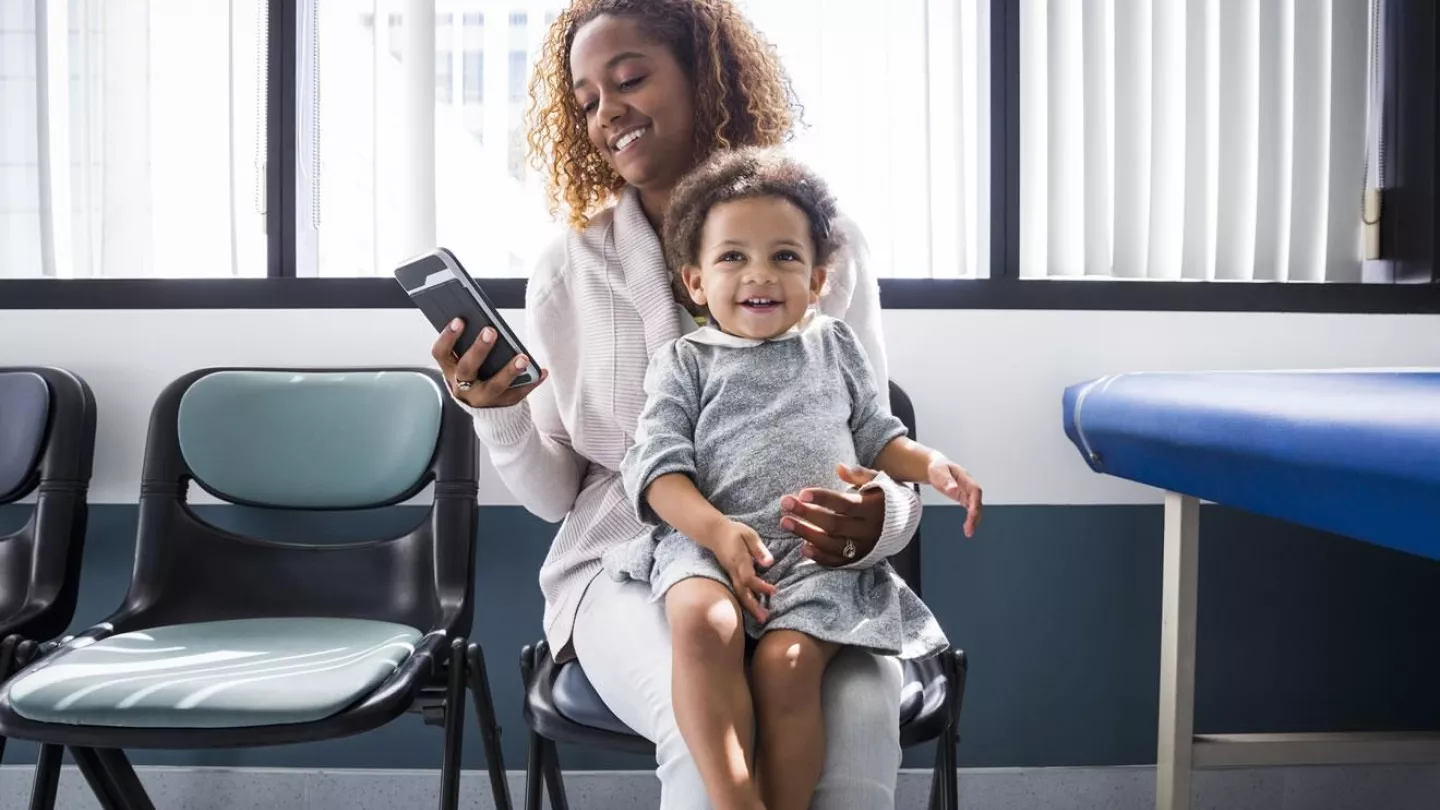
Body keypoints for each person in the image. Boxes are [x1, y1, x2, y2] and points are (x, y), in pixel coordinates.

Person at [427, 1, 984, 807]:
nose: (606, 111)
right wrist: (495, 408)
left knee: (861, 718)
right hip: (630, 561)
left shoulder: (825, 245)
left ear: (706, 77)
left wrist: (885, 521)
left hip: (806, 560)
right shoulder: (567, 270)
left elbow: (870, 442)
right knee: (700, 733)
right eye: (585, 101)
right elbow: (555, 496)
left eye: (630, 79)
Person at [601, 146, 981, 810]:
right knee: (701, 622)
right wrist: (718, 535)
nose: (761, 274)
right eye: (733, 256)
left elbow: (880, 437)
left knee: (787, 668)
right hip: (709, 543)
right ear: (694, 283)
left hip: (813, 561)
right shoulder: (682, 363)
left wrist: (934, 466)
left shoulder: (835, 346)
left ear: (818, 278)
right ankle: (734, 800)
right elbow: (658, 474)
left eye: (785, 256)